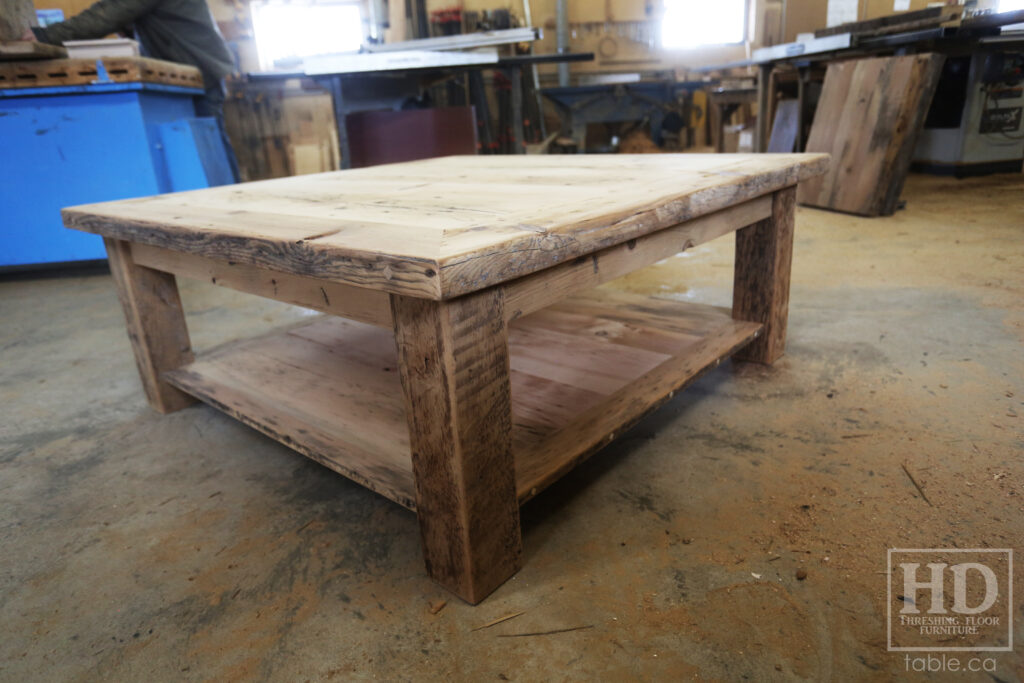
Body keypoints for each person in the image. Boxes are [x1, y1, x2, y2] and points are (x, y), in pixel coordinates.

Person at [25, 0, 239, 179]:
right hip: (197, 67)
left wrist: (43, 37)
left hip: (200, 69)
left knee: (209, 154)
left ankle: (230, 213)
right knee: (208, 151)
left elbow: (108, 15)